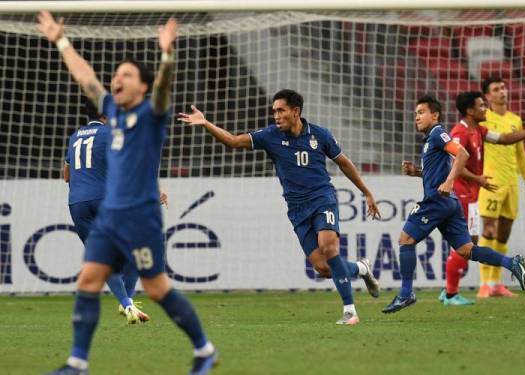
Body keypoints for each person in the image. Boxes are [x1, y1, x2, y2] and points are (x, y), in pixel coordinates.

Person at [38, 11, 217, 375]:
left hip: (139, 217)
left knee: (157, 288)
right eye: (116, 75)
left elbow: (165, 88)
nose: (117, 79)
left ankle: (204, 349)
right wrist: (61, 41)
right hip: (108, 216)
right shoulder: (111, 115)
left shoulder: (153, 115)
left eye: (127, 75)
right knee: (88, 279)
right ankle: (77, 362)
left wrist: (167, 56)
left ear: (142, 88)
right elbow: (86, 78)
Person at [178, 89, 382, 325]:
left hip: (322, 199)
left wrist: (366, 192)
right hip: (297, 209)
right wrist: (206, 123)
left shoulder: (320, 135)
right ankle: (361, 268)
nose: (276, 115)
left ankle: (349, 311)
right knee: (324, 268)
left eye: (281, 110)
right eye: (274, 110)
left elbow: (344, 164)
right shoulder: (270, 136)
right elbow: (233, 141)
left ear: (295, 112)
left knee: (329, 247)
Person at [381, 95, 525, 314]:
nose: (417, 117)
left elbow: (462, 153)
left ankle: (405, 294)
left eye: (421, 112)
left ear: (435, 115)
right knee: (466, 250)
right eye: (415, 113)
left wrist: (450, 182)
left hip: (437, 201)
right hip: (450, 203)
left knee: (406, 239)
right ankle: (511, 263)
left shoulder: (438, 133)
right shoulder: (431, 139)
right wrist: (417, 173)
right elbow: (436, 173)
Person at [440, 92, 525, 305]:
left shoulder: (479, 130)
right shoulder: (460, 133)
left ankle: (455, 290)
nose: (486, 109)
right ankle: (451, 292)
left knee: (468, 244)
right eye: (482, 106)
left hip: (472, 194)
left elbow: (504, 139)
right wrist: (478, 179)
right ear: (470, 111)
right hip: (461, 194)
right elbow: (454, 165)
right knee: (466, 245)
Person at [64, 99, 169, 323]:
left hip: (77, 203)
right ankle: (127, 302)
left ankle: (126, 303)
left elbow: (66, 175)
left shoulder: (74, 137)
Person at [477, 77, 525, 298]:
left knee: (503, 234)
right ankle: (484, 283)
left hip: (512, 184)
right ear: (487, 96)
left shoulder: (515, 119)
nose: (502, 92)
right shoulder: (483, 119)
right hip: (491, 182)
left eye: (503, 88)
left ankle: (496, 284)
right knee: (489, 230)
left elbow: (521, 155)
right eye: (496, 89)